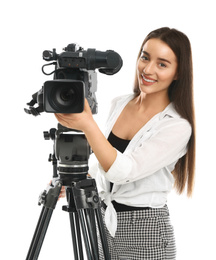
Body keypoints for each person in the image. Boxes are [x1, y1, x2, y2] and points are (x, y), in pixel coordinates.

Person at [56, 27, 196, 260]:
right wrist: (75, 178)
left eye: (162, 64)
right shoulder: (119, 103)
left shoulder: (177, 126)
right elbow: (106, 163)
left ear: (178, 72)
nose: (148, 69)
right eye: (145, 57)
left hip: (146, 232)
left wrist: (87, 124)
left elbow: (124, 171)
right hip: (102, 219)